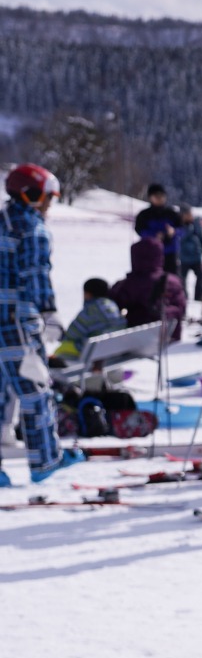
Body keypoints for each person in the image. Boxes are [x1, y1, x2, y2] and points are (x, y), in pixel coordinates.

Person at [1, 164, 83, 485]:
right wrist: (49, 313)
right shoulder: (31, 228)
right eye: (47, 197)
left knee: (1, 393)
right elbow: (35, 275)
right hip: (17, 323)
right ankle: (44, 460)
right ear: (30, 194)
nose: (49, 205)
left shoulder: (2, 220)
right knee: (35, 391)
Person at [110, 235, 188, 338]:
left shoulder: (131, 283)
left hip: (136, 337)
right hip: (169, 334)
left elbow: (112, 304)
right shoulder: (173, 281)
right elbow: (182, 307)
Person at [53, 279, 125, 363]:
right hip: (114, 348)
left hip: (93, 352)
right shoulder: (113, 306)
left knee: (63, 348)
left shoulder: (90, 311)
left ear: (87, 294)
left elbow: (72, 334)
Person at [177, 209, 202, 302]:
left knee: (200, 276)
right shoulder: (179, 225)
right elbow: (179, 239)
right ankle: (183, 296)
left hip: (196, 257)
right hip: (184, 257)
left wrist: (201, 250)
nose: (190, 216)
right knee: (181, 279)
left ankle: (198, 296)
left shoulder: (196, 225)